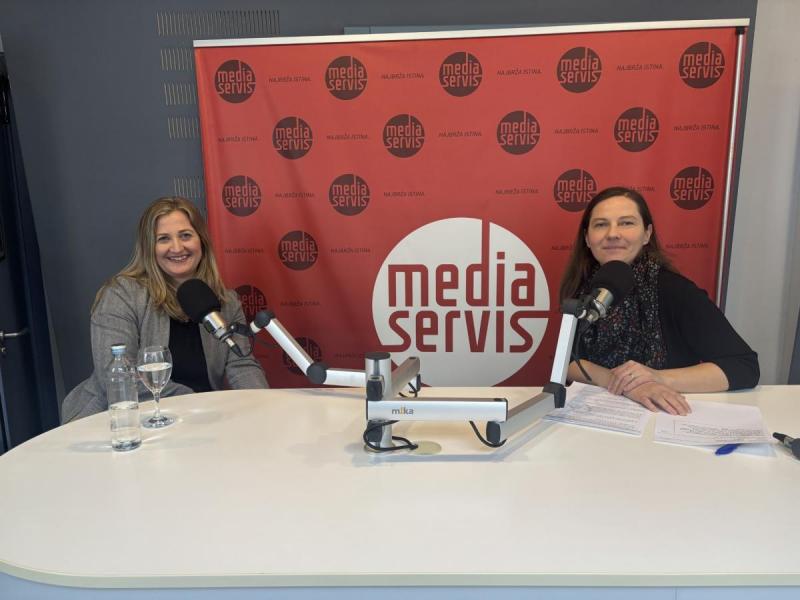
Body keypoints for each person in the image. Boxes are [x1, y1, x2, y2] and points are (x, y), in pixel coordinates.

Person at [62, 197, 267, 422]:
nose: (177, 248)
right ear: (149, 248)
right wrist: (198, 407)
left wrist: (262, 409)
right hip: (119, 421)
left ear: (201, 241)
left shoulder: (226, 302)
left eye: (185, 235)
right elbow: (117, 374)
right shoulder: (121, 295)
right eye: (163, 239)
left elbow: (241, 365)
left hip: (200, 420)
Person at [559, 186, 759, 416]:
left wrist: (657, 378)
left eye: (626, 223)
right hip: (600, 417)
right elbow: (569, 361)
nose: (613, 233)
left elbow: (744, 367)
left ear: (647, 234)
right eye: (601, 224)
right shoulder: (585, 288)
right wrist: (628, 384)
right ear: (587, 238)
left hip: (666, 418)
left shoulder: (675, 290)